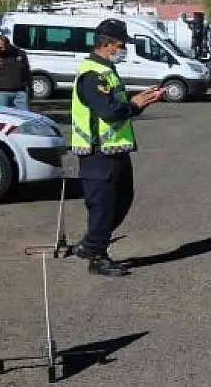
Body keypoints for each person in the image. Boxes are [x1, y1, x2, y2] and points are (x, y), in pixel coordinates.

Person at [70, 19, 166, 276]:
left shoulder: (107, 70)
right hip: (98, 153)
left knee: (122, 199)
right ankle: (97, 256)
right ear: (107, 44)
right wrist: (134, 105)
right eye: (121, 45)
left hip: (115, 150)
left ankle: (91, 244)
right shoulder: (92, 75)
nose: (124, 50)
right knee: (103, 204)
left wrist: (142, 101)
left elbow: (119, 106)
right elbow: (109, 111)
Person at [0, 35, 33, 110]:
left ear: (8, 45)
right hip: (2, 93)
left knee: (25, 116)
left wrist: (30, 87)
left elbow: (27, 71)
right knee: (4, 117)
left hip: (20, 92)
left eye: (0, 48)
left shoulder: (20, 54)